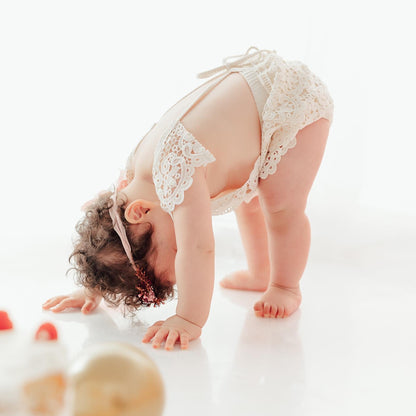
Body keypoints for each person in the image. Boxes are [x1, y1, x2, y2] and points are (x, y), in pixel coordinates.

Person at [42, 46, 334, 351]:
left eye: (176, 250)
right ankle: (261, 272)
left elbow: (199, 248)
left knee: (281, 208)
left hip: (291, 106)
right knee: (248, 204)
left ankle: (286, 286)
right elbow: (105, 231)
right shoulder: (135, 181)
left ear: (140, 213)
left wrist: (188, 318)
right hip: (256, 112)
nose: (185, 255)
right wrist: (94, 286)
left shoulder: (175, 171)